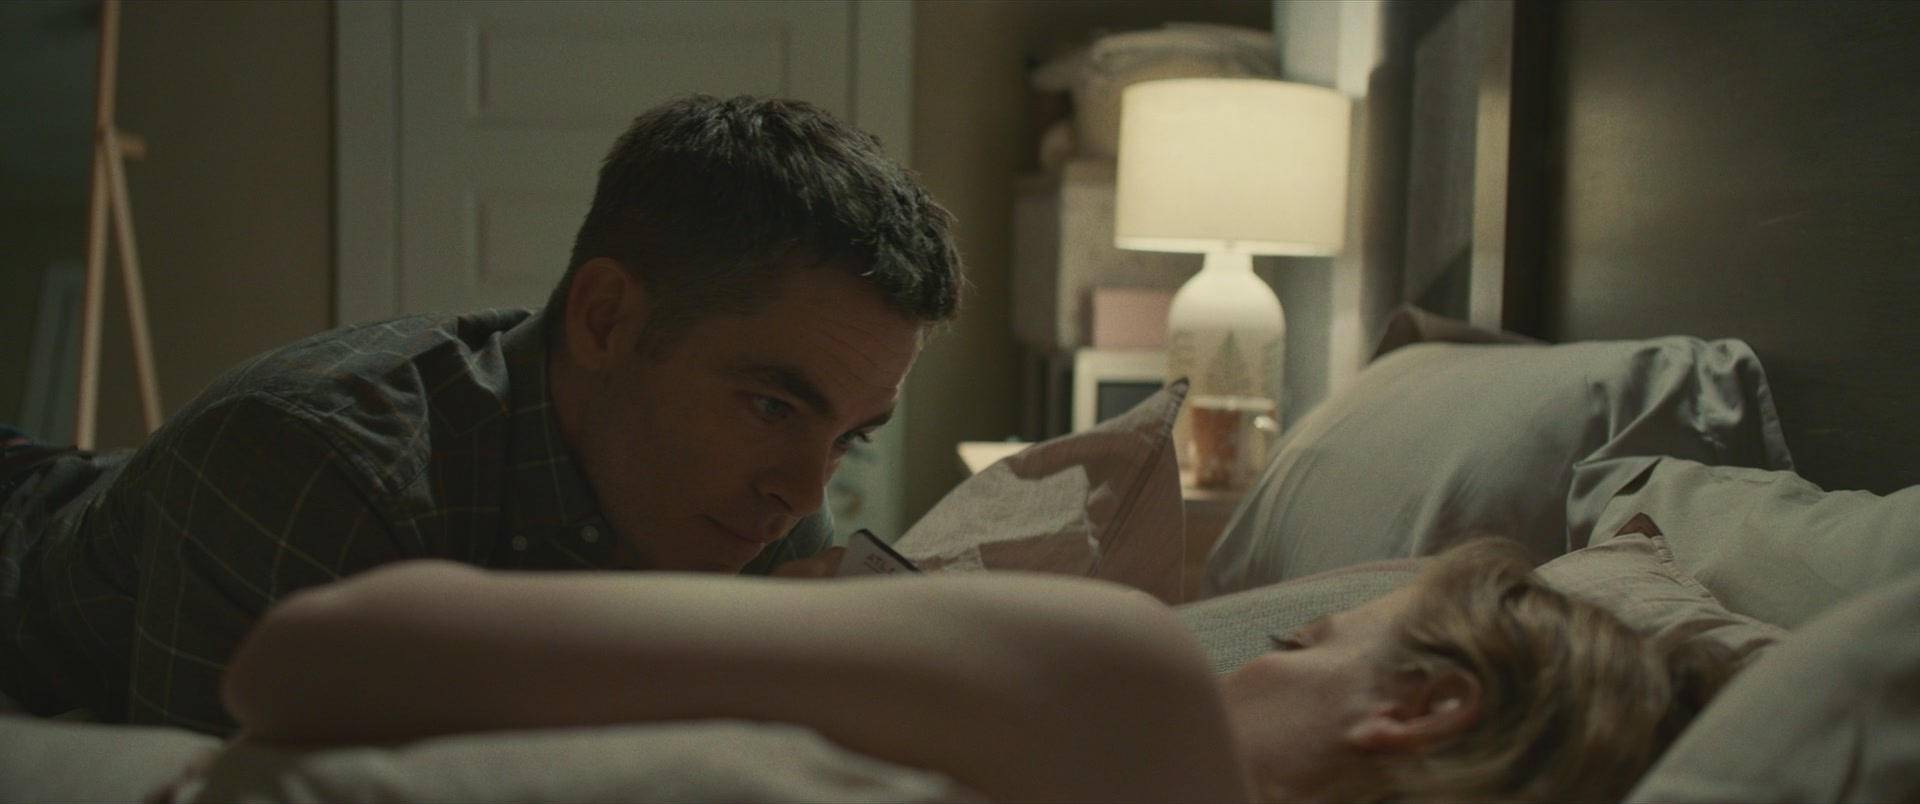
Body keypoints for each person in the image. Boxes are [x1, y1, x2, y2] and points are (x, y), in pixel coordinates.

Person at [0, 94, 963, 734]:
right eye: (769, 405)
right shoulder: (317, 461)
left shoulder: (764, 499)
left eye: (847, 438)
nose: (803, 495)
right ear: (605, 319)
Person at [217, 538, 1737, 803]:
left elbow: (306, 655)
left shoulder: (1122, 691)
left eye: (1296, 642)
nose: (1246, 661)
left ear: (1419, 706)